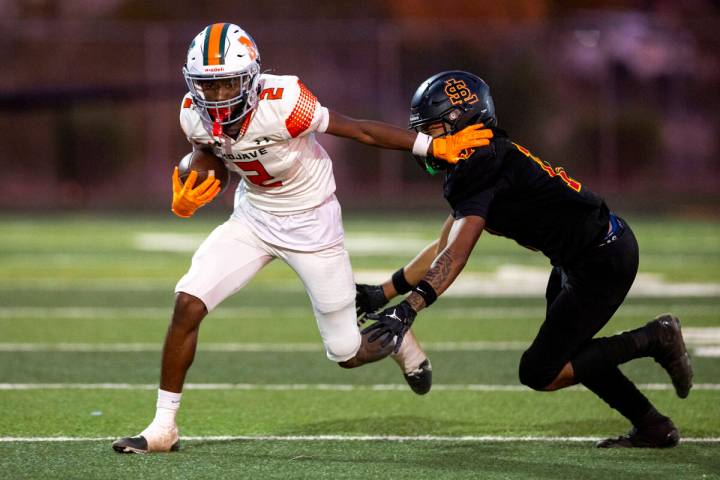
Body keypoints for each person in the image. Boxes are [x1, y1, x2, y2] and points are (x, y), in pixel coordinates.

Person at [112, 24, 493, 454]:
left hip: (314, 225)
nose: (217, 97)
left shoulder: (286, 101)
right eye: (208, 86)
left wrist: (430, 146)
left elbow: (359, 131)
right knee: (188, 301)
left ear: (252, 79)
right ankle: (164, 428)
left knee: (346, 352)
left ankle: (398, 342)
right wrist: (189, 189)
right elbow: (210, 154)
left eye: (227, 84)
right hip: (253, 218)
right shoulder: (191, 112)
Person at [357, 70, 694, 449]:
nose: (423, 141)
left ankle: (655, 337)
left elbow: (457, 254)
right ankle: (652, 426)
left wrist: (410, 308)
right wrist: (382, 293)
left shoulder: (479, 164)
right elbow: (442, 247)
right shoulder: (481, 159)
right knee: (571, 352)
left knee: (539, 372)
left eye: (431, 129)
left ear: (460, 122)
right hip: (580, 256)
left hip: (602, 258)